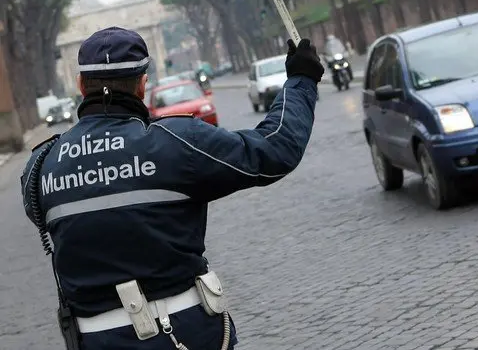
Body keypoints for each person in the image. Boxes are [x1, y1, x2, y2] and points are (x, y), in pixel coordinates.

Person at [20, 26, 324, 350]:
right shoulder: (178, 142)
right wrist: (300, 81)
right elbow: (275, 148)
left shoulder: (40, 166)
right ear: (142, 84)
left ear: (81, 86)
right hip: (185, 334)